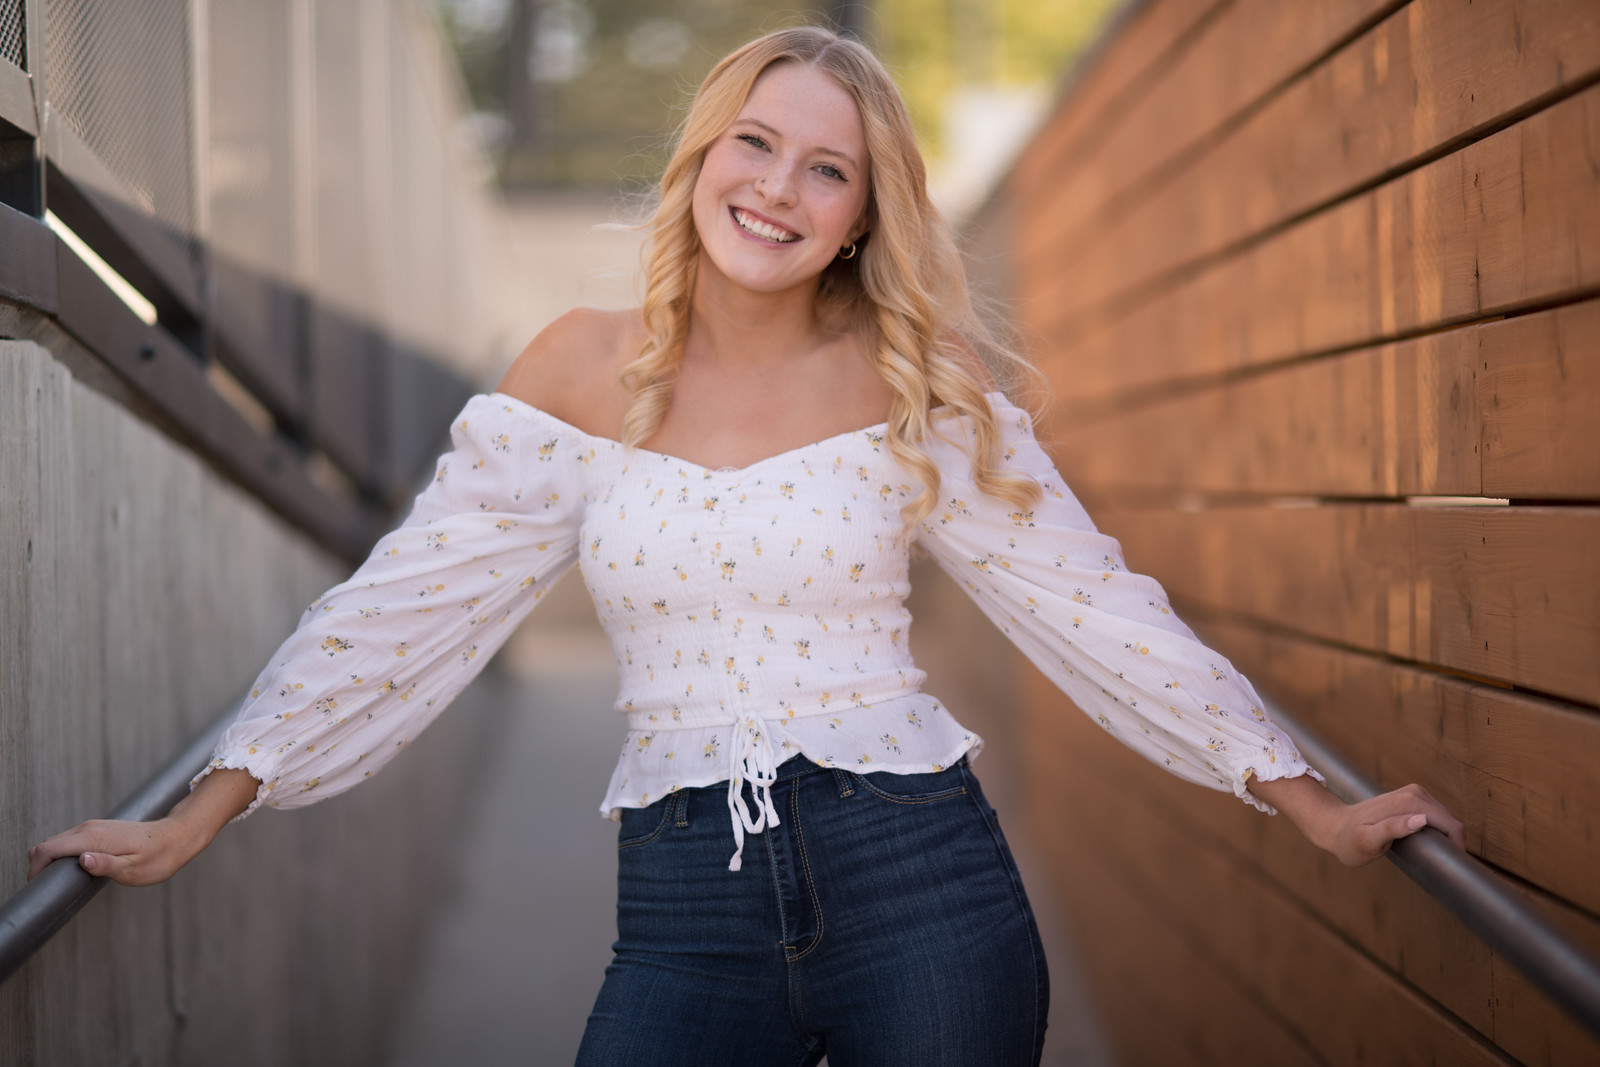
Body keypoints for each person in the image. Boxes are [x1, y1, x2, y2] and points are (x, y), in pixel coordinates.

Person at [29, 26, 1463, 1066]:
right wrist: (200, 814)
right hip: (680, 899)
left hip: (925, 892)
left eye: (827, 172)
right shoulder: (578, 371)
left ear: (860, 219)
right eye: (754, 144)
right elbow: (404, 613)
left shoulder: (915, 385)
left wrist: (1307, 800)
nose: (776, 190)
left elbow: (1092, 607)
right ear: (702, 159)